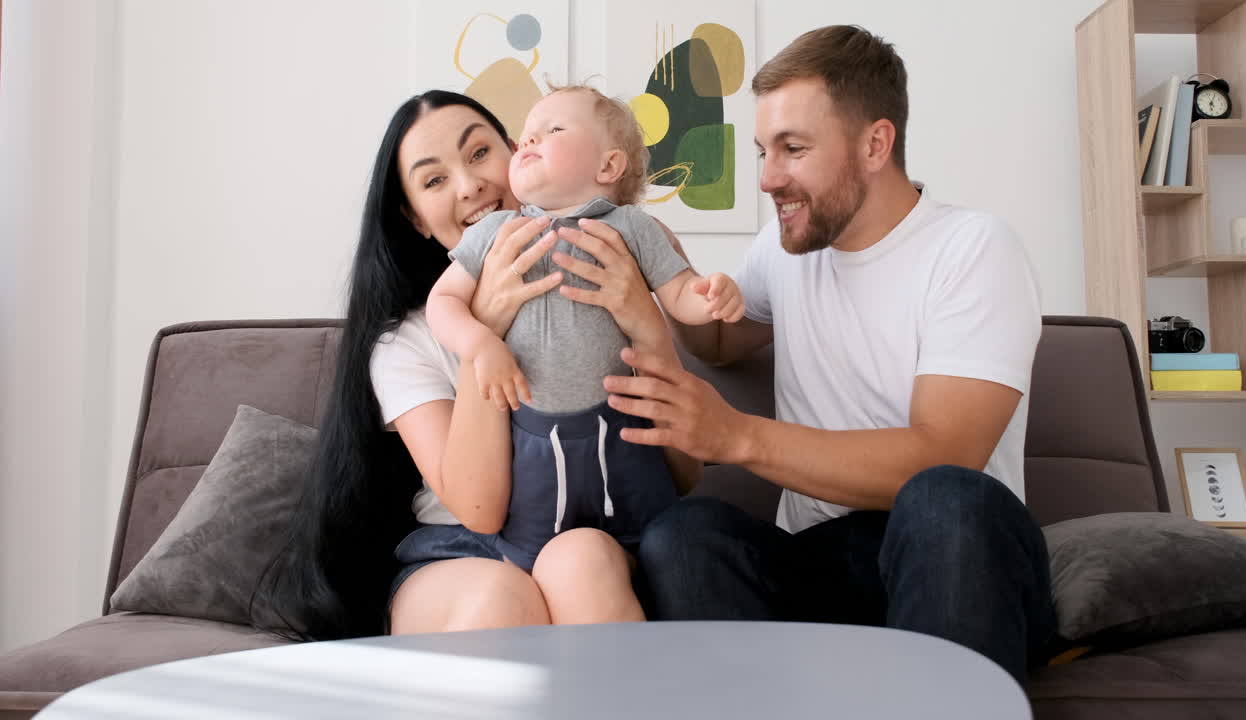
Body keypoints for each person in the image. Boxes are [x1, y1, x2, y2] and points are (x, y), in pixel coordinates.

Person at [608, 26, 1058, 683]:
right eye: (764, 150)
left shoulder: (972, 247)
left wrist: (737, 436)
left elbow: (944, 452)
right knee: (684, 534)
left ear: (876, 143)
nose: (766, 177)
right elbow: (721, 342)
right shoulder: (787, 246)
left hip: (954, 557)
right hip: (822, 564)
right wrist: (668, 278)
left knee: (944, 497)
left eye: (792, 149)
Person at [253, 89, 694, 639]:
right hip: (459, 550)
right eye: (434, 180)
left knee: (579, 560)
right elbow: (480, 510)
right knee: (500, 594)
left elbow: (684, 474)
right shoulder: (408, 344)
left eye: (481, 154)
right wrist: (483, 331)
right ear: (416, 218)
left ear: (518, 153)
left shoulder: (613, 271)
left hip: (596, 533)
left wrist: (647, 325)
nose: (470, 186)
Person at [426, 85, 744, 573]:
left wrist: (712, 295)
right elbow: (443, 301)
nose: (528, 142)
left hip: (625, 424)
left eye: (551, 130)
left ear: (608, 167)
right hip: (530, 432)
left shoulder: (633, 227)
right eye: (525, 136)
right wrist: (480, 343)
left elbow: (680, 293)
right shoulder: (495, 232)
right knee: (529, 550)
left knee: (650, 536)